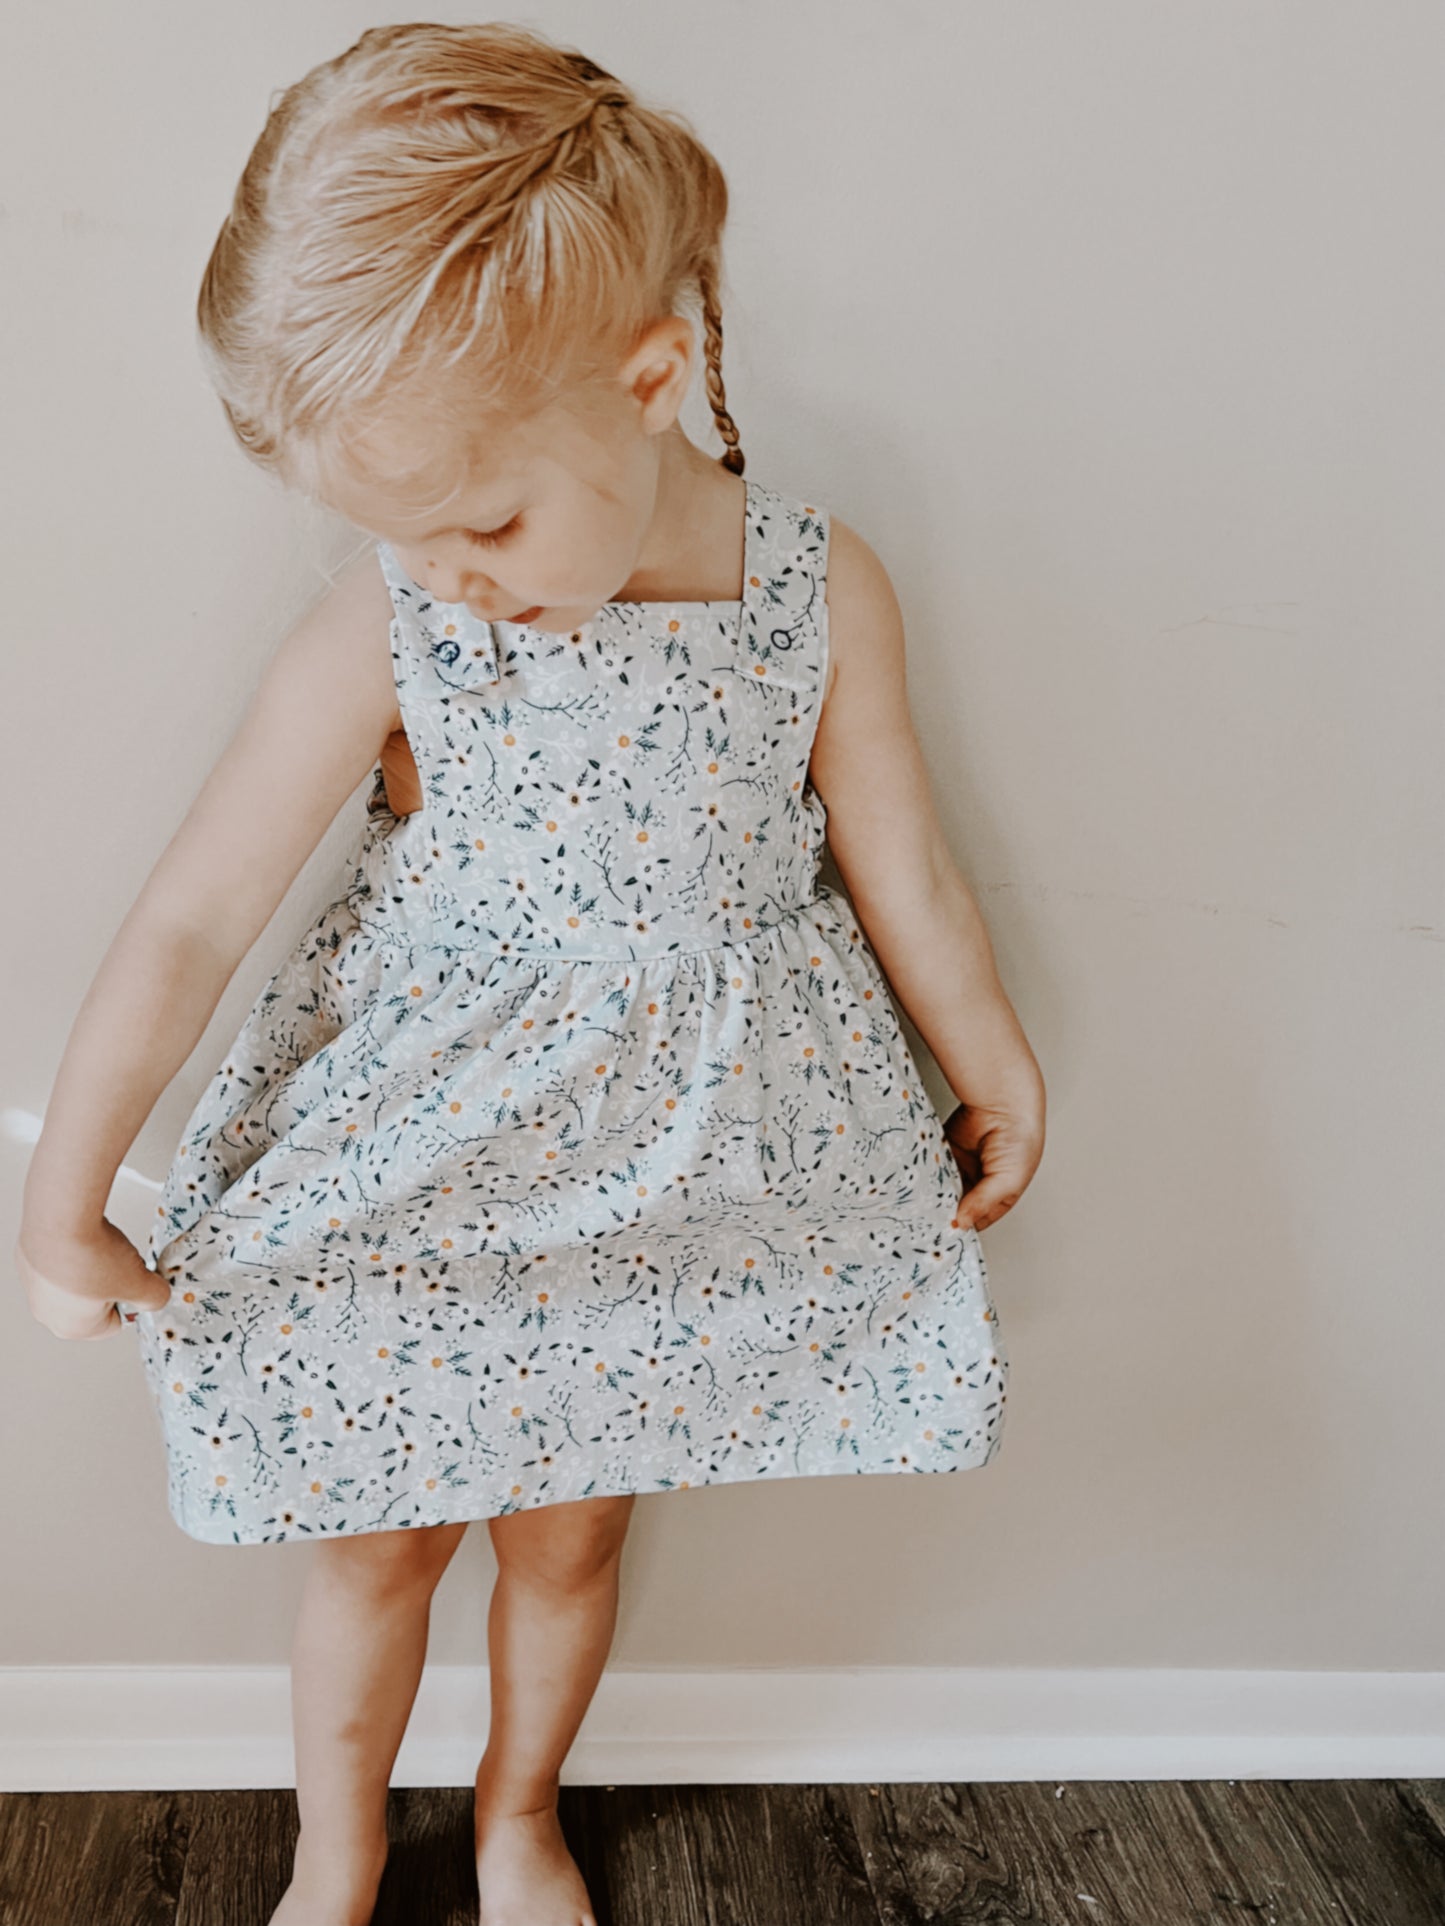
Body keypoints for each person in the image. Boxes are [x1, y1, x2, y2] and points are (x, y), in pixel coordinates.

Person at [14, 21, 1046, 1926]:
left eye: (483, 522)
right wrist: (63, 1196)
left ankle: (515, 1814)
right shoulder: (401, 615)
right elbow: (191, 913)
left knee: (567, 1549)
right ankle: (332, 1855)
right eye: (404, 537)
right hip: (424, 1180)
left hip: (675, 1183)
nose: (454, 575)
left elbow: (906, 868)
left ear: (653, 379)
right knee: (378, 1556)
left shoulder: (819, 591)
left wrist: (993, 1060)